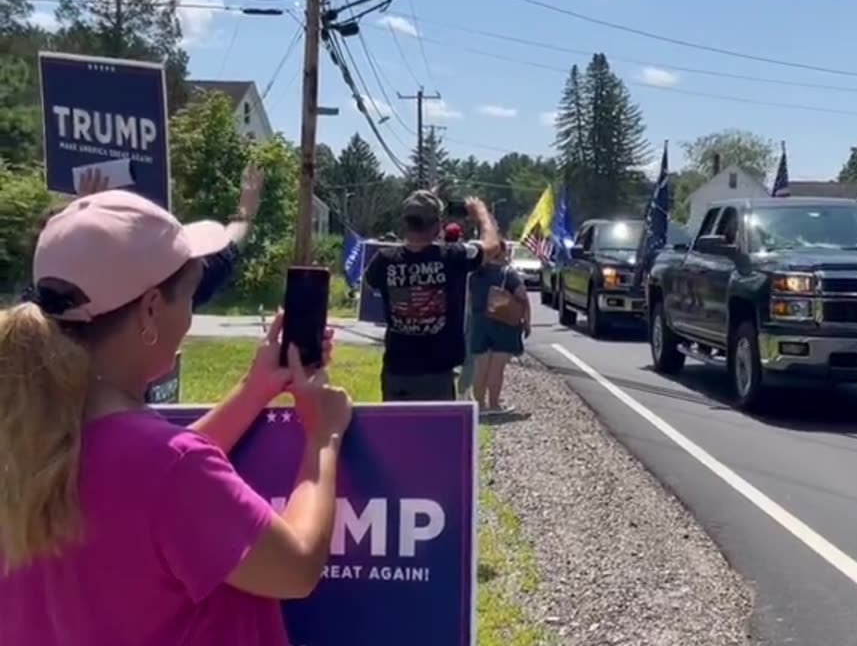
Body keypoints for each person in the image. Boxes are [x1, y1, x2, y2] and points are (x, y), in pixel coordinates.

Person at [0, 189, 353, 646]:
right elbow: (297, 567)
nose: (189, 315)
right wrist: (323, 438)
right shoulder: (168, 468)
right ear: (150, 309)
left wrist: (253, 392)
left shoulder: (27, 435)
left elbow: (145, 481)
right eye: (189, 298)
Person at [364, 190, 500, 401]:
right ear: (438, 226)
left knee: (397, 433)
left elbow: (369, 284)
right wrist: (482, 213)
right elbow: (492, 246)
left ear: (405, 223)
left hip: (396, 371)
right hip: (437, 373)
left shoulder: (384, 260)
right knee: (436, 433)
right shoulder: (451, 257)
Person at [69, 163, 265, 309]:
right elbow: (229, 245)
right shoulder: (181, 280)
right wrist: (246, 211)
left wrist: (85, 221)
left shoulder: (89, 297)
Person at [468, 242, 532, 412]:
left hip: (479, 322)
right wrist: (526, 321)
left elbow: (468, 299)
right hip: (503, 322)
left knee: (481, 367)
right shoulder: (508, 273)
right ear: (502, 252)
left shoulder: (475, 273)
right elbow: (522, 297)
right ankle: (494, 404)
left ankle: (480, 405)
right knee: (497, 368)